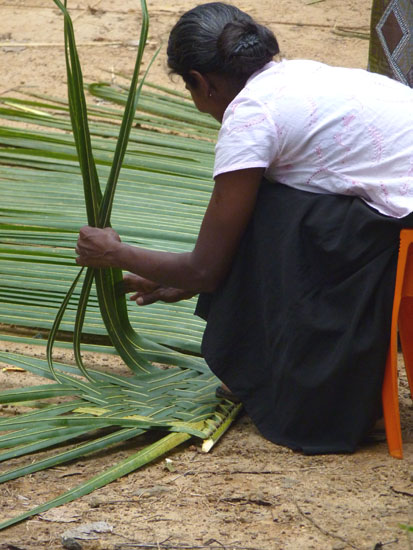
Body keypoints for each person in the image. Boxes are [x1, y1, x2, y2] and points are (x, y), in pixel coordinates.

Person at [76, 2, 413, 454]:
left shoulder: (251, 117)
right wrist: (183, 276)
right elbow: (210, 263)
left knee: (271, 211)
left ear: (200, 81)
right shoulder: (297, 75)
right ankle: (270, 368)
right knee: (267, 205)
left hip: (400, 225)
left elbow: (204, 270)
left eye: (191, 92)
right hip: (398, 207)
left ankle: (315, 392)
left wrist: (114, 253)